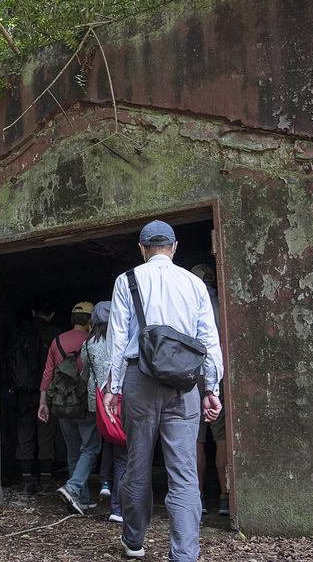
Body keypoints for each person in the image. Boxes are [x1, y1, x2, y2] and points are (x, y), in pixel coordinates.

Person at [103, 220, 223, 560]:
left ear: (142, 249)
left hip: (139, 379)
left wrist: (112, 388)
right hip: (185, 385)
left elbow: (117, 339)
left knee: (137, 466)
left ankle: (134, 541)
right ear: (174, 247)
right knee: (184, 474)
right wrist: (211, 387)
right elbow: (208, 341)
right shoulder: (194, 284)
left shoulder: (127, 280)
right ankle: (184, 554)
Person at [38, 301, 100, 515]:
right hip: (85, 403)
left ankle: (80, 497)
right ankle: (74, 488)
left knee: (73, 450)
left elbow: (48, 373)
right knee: (90, 448)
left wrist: (43, 402)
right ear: (90, 320)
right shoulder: (92, 340)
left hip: (62, 403)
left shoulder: (57, 341)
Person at [7, 300, 61, 493]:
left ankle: (27, 480)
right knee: (46, 435)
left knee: (25, 434)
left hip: (23, 393)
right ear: (52, 314)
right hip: (46, 392)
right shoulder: (54, 334)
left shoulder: (21, 333)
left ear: (33, 312)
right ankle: (46, 481)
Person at [81, 301, 127, 524]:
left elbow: (84, 370)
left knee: (99, 442)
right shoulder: (120, 340)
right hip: (118, 400)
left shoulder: (89, 343)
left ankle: (104, 483)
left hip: (96, 401)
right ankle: (116, 501)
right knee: (119, 447)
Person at [190, 263, 229, 516]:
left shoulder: (190, 302)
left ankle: (198, 497)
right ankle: (226, 497)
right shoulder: (222, 303)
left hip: (191, 376)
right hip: (218, 376)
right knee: (223, 437)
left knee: (195, 439)